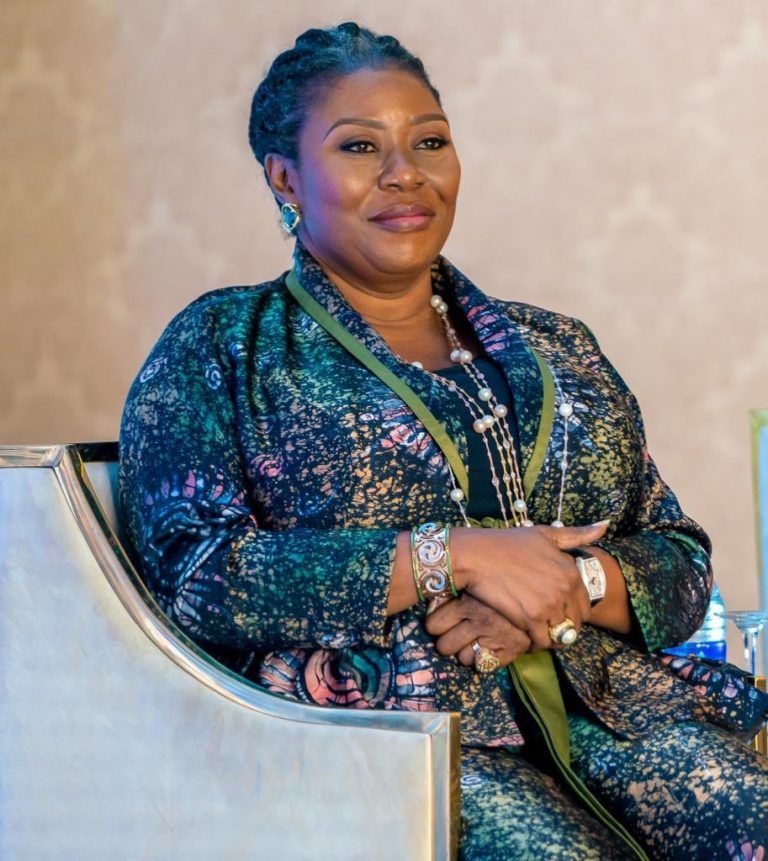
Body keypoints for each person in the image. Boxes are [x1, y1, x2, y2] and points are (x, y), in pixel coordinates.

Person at [118, 21, 768, 860]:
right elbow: (198, 579)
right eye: (359, 146)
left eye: (430, 141)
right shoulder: (224, 346)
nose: (406, 172)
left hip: (615, 706)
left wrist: (567, 587)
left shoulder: (561, 347)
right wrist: (455, 556)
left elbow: (679, 559)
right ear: (285, 176)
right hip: (391, 741)